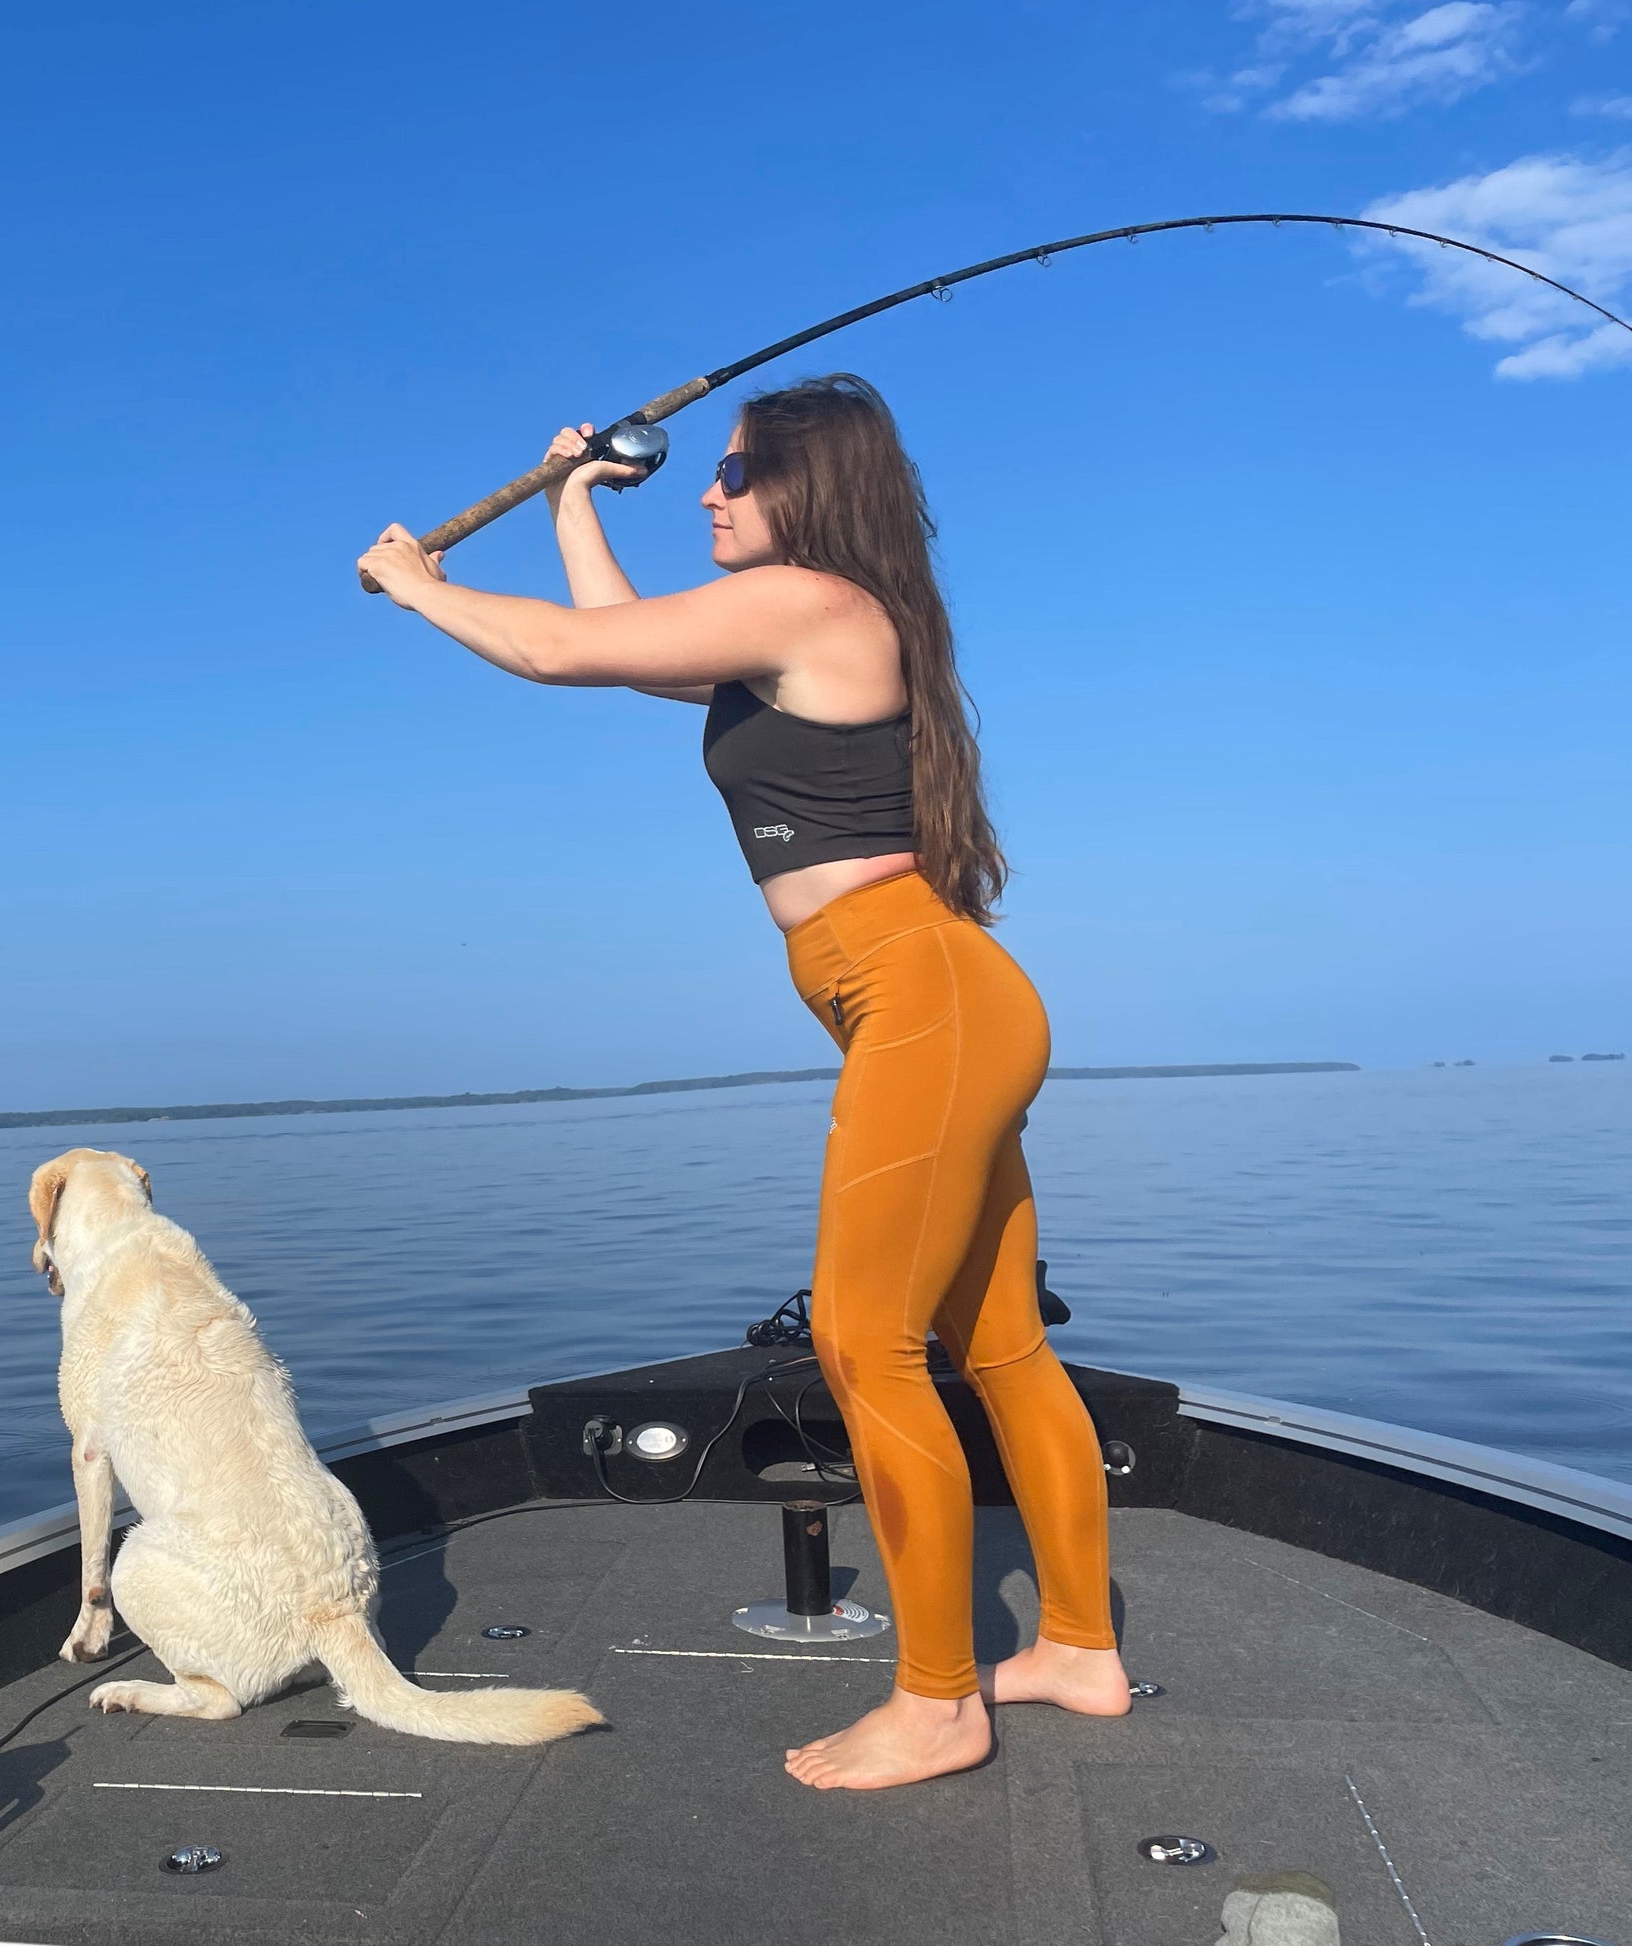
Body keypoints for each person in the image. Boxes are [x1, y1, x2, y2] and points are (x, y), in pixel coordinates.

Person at [358, 372, 1129, 1790]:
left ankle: (938, 1700)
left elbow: (555, 654)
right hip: (938, 997)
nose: (709, 492)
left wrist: (416, 584)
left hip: (925, 997)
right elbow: (619, 646)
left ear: (806, 489)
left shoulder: (813, 602)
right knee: (997, 1343)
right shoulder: (801, 623)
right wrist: (575, 502)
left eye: (734, 473)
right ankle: (1078, 1647)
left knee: (864, 1343)